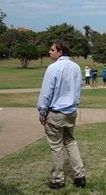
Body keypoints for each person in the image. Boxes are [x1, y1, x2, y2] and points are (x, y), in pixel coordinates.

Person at [37, 40, 86, 189]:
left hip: (56, 113)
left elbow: (46, 93)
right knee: (70, 142)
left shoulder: (53, 68)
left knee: (56, 146)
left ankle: (58, 180)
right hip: (71, 111)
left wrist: (42, 111)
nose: (49, 52)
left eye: (52, 50)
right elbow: (78, 89)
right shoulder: (76, 67)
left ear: (60, 52)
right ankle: (80, 176)